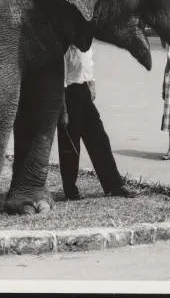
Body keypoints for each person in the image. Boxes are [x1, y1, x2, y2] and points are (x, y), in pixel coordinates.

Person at [57, 45, 138, 200]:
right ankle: (70, 190)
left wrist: (92, 85)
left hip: (83, 92)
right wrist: (63, 110)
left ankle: (114, 186)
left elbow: (88, 64)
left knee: (99, 138)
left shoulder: (86, 45)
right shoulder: (66, 48)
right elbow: (60, 80)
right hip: (68, 95)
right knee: (70, 145)